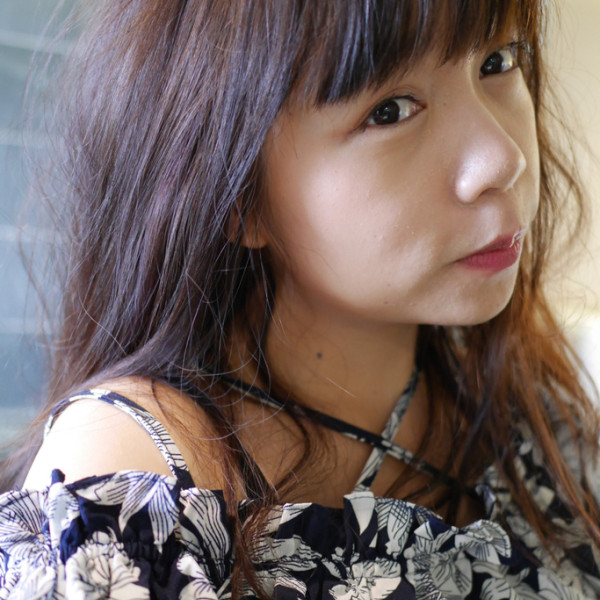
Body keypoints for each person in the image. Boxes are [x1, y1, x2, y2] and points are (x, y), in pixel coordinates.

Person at [1, 0, 599, 597]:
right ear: (240, 198)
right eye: (390, 111)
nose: (503, 158)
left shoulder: (528, 404)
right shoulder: (132, 483)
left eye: (498, 61)